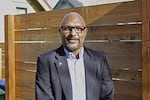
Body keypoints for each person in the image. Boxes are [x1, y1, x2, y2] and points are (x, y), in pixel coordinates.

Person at [35, 12, 114, 100]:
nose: (73, 34)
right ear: (60, 31)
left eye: (78, 28)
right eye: (67, 28)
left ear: (85, 32)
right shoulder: (46, 61)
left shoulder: (99, 60)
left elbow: (107, 96)